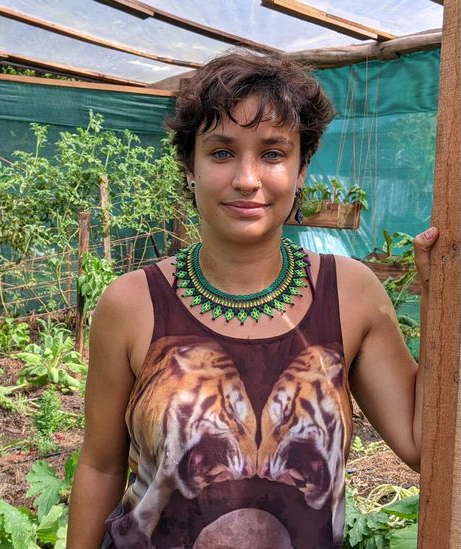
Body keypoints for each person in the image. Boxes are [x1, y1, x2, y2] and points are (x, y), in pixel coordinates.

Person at [65, 50, 439, 549]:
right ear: (189, 167)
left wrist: (444, 305)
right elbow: (98, 465)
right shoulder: (131, 304)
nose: (247, 178)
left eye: (272, 153)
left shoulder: (351, 293)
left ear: (302, 167)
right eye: (221, 152)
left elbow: (421, 446)